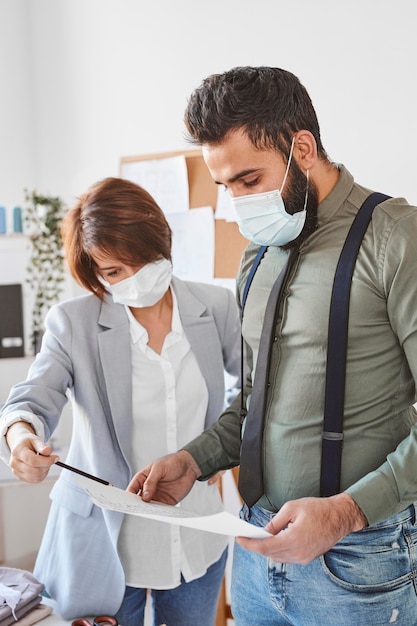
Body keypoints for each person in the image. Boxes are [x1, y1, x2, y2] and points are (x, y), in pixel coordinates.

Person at [127, 66, 417, 626]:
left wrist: (347, 513)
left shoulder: (397, 237)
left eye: (250, 179)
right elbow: (255, 401)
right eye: (225, 186)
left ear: (302, 148)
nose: (239, 201)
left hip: (359, 562)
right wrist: (194, 459)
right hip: (256, 550)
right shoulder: (257, 256)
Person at [0, 177, 242, 625]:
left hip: (196, 535)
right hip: (104, 547)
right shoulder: (72, 323)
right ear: (94, 273)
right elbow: (32, 400)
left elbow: (249, 389)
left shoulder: (216, 307)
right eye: (112, 272)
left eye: (138, 261)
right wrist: (21, 440)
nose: (130, 279)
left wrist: (218, 452)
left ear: (161, 241)